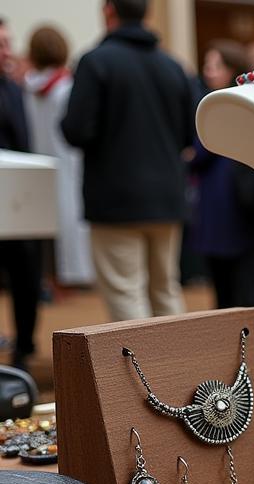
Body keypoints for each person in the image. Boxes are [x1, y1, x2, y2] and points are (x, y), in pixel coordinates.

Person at [62, 0, 193, 322]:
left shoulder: (96, 62)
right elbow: (191, 134)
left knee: (126, 292)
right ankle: (174, 370)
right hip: (167, 197)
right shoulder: (173, 66)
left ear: (108, 11)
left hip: (116, 199)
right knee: (166, 290)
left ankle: (140, 372)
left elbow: (76, 130)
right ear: (146, 13)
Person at [191, 39, 254, 310]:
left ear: (231, 69)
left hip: (234, 211)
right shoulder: (247, 105)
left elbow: (200, 152)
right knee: (238, 294)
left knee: (233, 296)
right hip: (235, 213)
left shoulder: (221, 107)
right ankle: (241, 350)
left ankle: (242, 350)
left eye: (214, 65)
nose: (208, 71)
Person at [23, 25, 94, 288]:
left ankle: (49, 276)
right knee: (71, 218)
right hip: (68, 159)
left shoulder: (28, 88)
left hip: (39, 160)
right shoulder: (67, 87)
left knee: (45, 221)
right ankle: (74, 274)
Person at [0, 17, 41, 370]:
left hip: (16, 201)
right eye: (1, 45)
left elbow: (25, 142)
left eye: (7, 43)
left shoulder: (14, 89)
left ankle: (24, 348)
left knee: (26, 274)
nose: (7, 51)